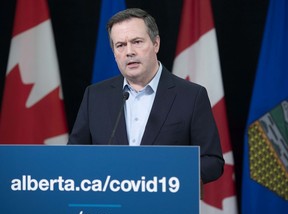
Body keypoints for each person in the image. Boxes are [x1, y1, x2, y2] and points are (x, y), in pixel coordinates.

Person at [68, 8, 224, 184]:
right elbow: (74, 156)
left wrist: (166, 177)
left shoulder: (191, 96)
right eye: (120, 45)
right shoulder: (95, 96)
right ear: (114, 52)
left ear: (155, 43)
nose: (129, 52)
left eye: (137, 42)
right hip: (110, 205)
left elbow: (212, 161)